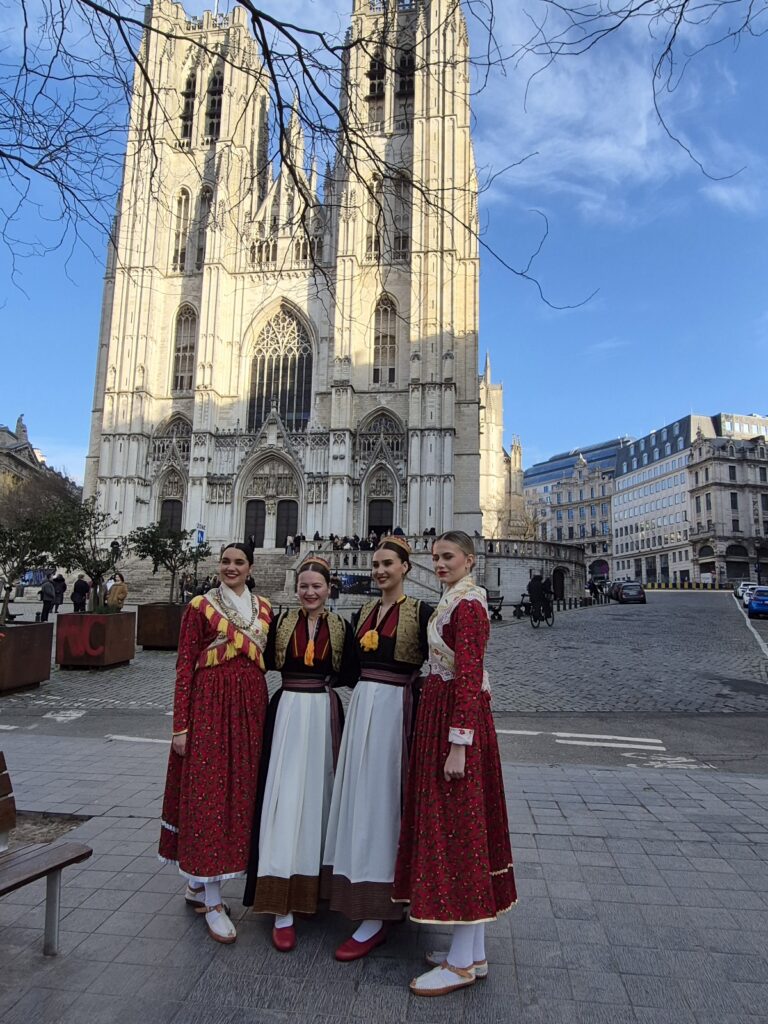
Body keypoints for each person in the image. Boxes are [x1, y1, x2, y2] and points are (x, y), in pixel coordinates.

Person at [394, 530, 516, 996]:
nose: (440, 564)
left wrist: (459, 742)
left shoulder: (468, 606)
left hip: (456, 723)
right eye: (435, 557)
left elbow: (468, 674)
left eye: (448, 556)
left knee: (459, 833)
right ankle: (473, 953)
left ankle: (461, 963)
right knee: (462, 830)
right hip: (444, 717)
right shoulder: (453, 601)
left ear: (470, 559)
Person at [322, 536, 432, 961]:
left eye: (388, 564)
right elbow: (347, 667)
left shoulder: (422, 612)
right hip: (364, 708)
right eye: (376, 565)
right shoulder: (363, 612)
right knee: (361, 799)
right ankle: (369, 894)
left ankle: (382, 906)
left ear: (406, 567)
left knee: (387, 801)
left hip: (397, 712)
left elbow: (445, 663)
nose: (380, 571)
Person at [158, 543, 272, 944]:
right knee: (208, 794)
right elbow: (184, 666)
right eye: (225, 561)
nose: (231, 567)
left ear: (250, 567)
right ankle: (212, 897)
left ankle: (199, 883)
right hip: (209, 707)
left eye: (239, 562)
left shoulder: (264, 608)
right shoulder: (199, 607)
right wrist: (181, 727)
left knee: (240, 793)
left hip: (250, 710)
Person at [243, 555, 355, 951]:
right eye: (304, 586)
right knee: (283, 798)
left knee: (321, 798)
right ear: (296, 589)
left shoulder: (342, 626)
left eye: (317, 586)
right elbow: (260, 660)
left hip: (324, 712)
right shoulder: (279, 622)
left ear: (329, 590)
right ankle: (281, 904)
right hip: (288, 710)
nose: (310, 592)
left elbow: (353, 671)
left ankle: (314, 888)